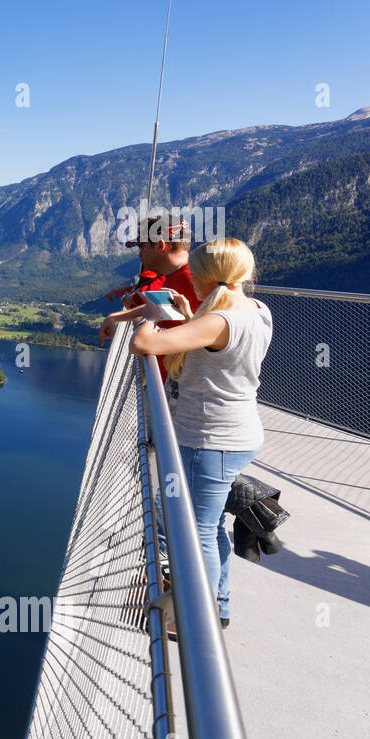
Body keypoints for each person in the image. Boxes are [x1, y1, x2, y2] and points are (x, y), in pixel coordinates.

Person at [129, 238, 272, 630]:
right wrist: (191, 314)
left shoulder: (217, 321)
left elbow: (144, 344)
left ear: (205, 276)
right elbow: (219, 345)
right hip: (240, 432)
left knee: (198, 531)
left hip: (209, 437)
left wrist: (154, 314)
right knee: (210, 526)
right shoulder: (258, 310)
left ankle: (196, 618)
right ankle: (218, 604)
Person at [99, 215, 201, 382]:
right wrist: (115, 317)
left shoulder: (194, 281)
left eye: (142, 247)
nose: (140, 254)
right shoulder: (175, 277)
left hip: (182, 392)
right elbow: (156, 308)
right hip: (172, 385)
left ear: (160, 245)